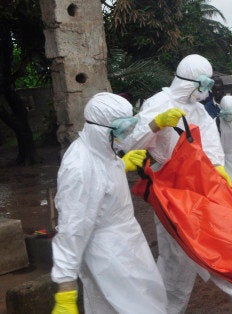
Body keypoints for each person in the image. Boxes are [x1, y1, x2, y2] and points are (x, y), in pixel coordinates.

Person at [123, 54, 232, 314]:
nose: (207, 91)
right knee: (184, 253)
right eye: (204, 85)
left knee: (208, 245)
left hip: (199, 183)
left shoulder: (197, 109)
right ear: (190, 82)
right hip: (169, 187)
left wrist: (218, 165)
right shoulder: (158, 103)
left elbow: (209, 140)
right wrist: (155, 125)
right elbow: (129, 145)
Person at [51, 93, 167, 313]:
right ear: (100, 128)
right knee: (140, 306)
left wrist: (121, 166)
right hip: (107, 253)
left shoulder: (103, 148)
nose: (126, 137)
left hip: (126, 240)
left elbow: (100, 187)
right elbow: (72, 229)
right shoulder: (79, 167)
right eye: (122, 131)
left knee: (129, 303)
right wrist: (65, 287)